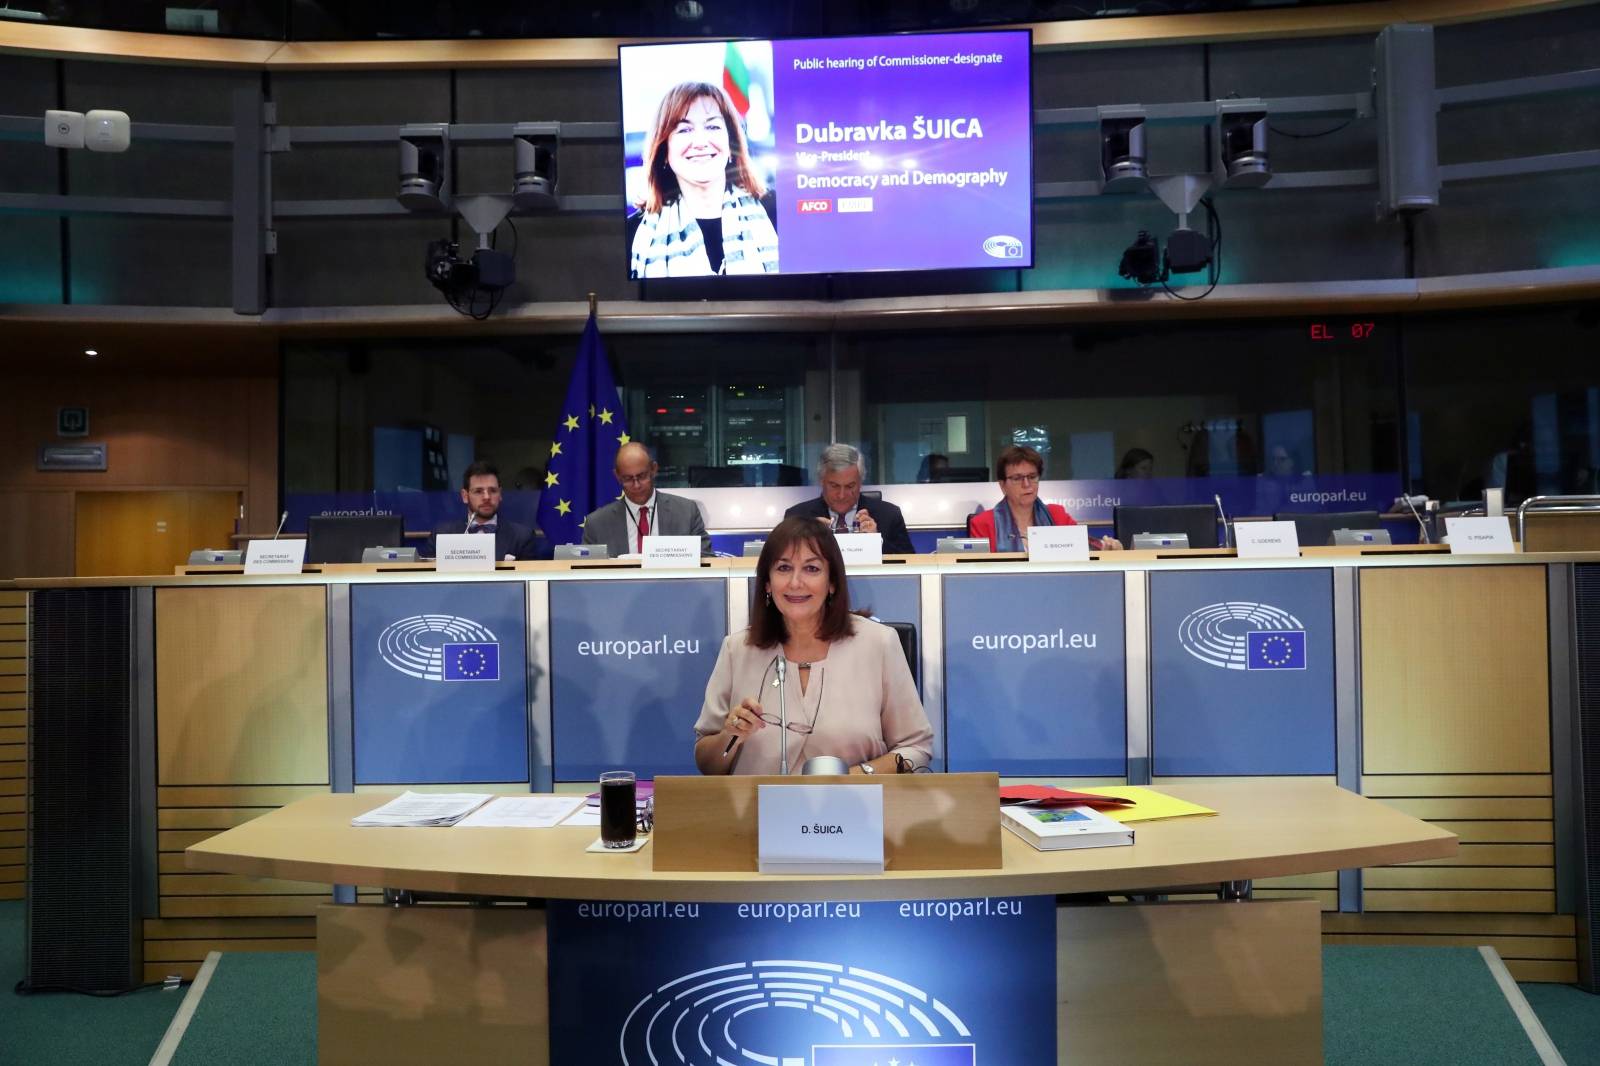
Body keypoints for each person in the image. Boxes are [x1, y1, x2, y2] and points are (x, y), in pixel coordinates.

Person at [693, 517, 933, 776]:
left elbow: (915, 748)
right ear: (767, 583)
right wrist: (732, 735)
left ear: (832, 583)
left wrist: (853, 778)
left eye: (811, 569)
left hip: (856, 810)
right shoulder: (737, 649)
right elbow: (708, 765)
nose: (796, 583)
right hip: (756, 813)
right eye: (783, 568)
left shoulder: (879, 643)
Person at [628, 81, 779, 279]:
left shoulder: (777, 212)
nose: (700, 142)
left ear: (731, 143)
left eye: (712, 126)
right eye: (684, 130)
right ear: (664, 150)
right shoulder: (635, 232)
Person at [968, 444, 1124, 552]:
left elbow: (1084, 547)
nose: (1027, 484)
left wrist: (1107, 547)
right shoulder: (983, 523)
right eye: (1017, 478)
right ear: (1002, 485)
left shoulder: (1057, 515)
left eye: (1032, 476)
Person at [582, 442, 712, 556]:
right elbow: (586, 572)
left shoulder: (686, 512)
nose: (636, 485)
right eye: (628, 479)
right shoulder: (597, 524)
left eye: (642, 476)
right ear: (617, 476)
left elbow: (706, 561)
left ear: (654, 470)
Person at [783, 443, 915, 554]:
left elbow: (911, 566)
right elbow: (782, 564)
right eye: (834, 486)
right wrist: (806, 543)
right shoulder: (796, 517)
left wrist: (876, 543)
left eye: (850, 486)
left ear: (860, 483)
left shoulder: (889, 516)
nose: (841, 495)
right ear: (821, 481)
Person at [434, 460, 537, 560]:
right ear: (465, 496)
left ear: (500, 494)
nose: (487, 497)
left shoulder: (522, 538)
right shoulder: (440, 536)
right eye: (478, 491)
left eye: (493, 490)